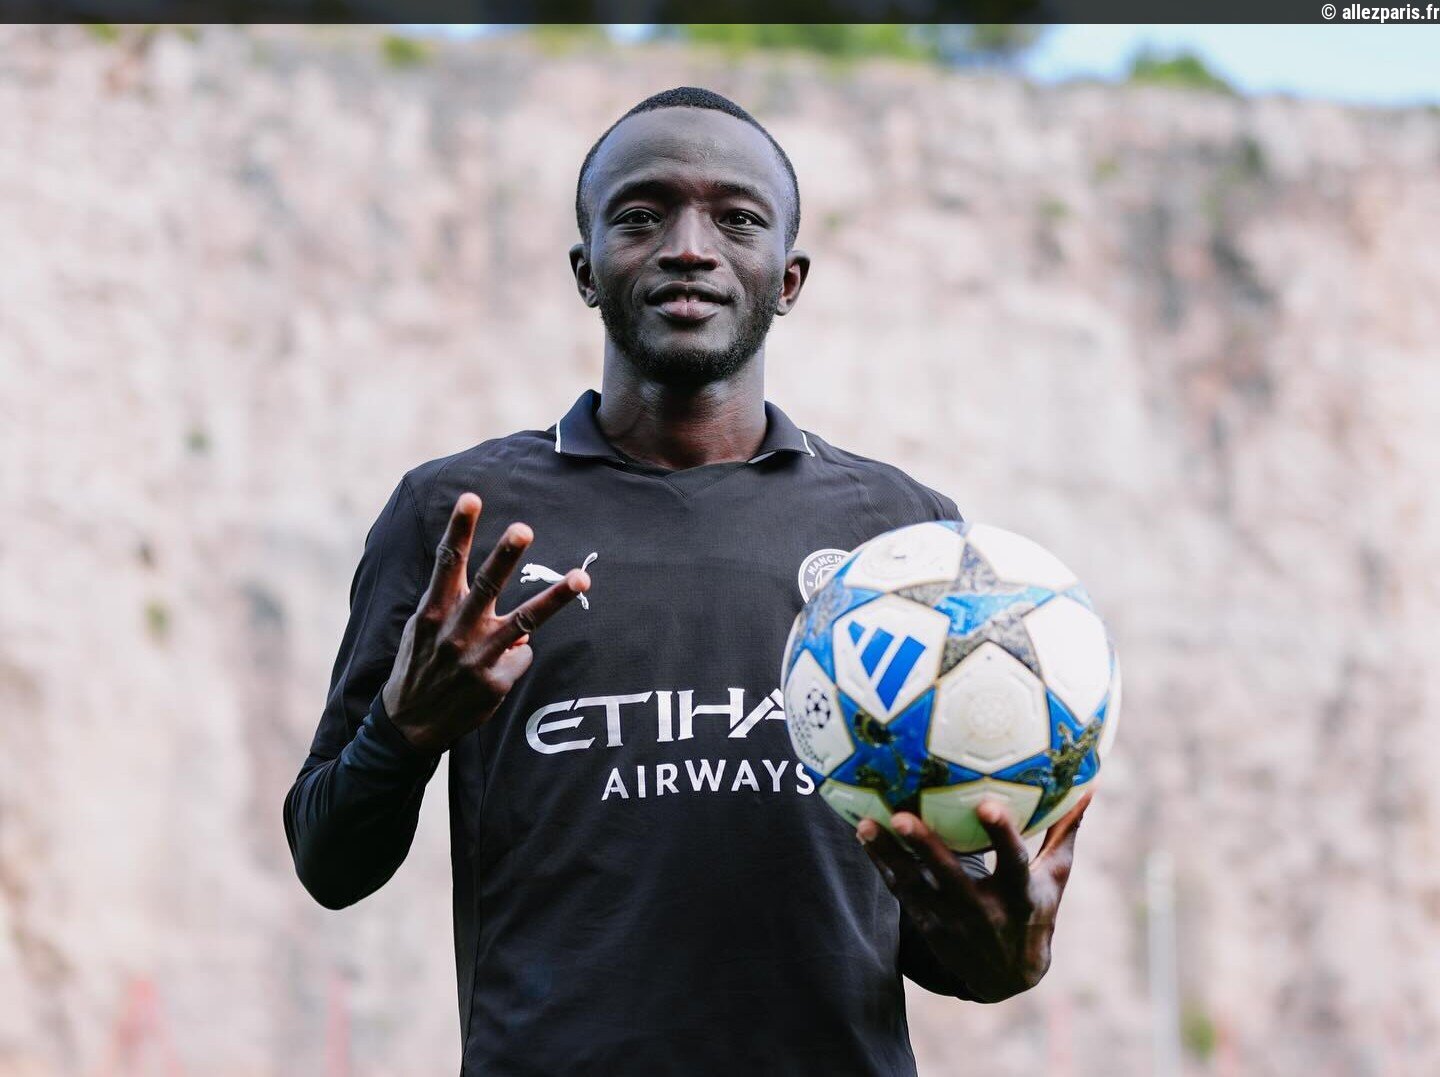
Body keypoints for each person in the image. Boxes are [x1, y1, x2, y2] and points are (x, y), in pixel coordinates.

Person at [284, 86, 1092, 1076]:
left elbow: (929, 934)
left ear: (788, 278)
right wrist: (401, 732)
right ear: (586, 269)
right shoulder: (456, 515)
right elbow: (329, 862)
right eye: (641, 215)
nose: (688, 248)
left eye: (736, 219)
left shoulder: (901, 539)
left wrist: (1002, 955)